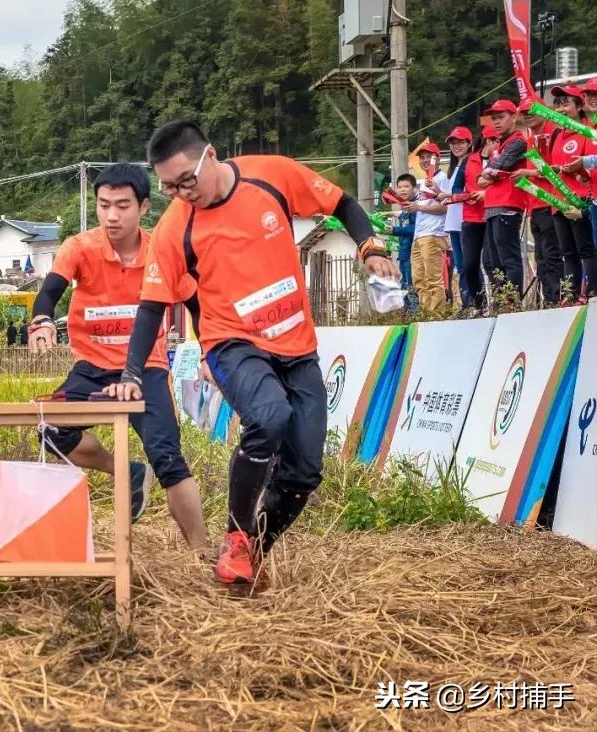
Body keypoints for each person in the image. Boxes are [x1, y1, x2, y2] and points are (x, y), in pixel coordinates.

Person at [106, 121, 397, 586]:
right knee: (268, 416)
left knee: (305, 472)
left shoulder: (271, 176)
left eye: (186, 181)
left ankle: (254, 547)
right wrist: (132, 371)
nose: (181, 193)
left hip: (297, 345)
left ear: (211, 157)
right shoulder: (173, 230)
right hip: (230, 342)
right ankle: (236, 537)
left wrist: (370, 245)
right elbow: (151, 307)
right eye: (168, 187)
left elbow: (340, 202)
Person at [28, 162, 207, 549]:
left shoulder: (164, 253)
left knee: (169, 459)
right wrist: (41, 321)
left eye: (122, 205)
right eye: (103, 204)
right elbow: (49, 293)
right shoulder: (79, 248)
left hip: (146, 370)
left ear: (144, 207)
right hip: (91, 368)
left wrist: (210, 351)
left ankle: (201, 550)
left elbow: (197, 304)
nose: (111, 215)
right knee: (51, 431)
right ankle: (123, 471)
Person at [547, 85, 596, 301]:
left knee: (585, 249)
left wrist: (581, 172)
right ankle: (570, 294)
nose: (561, 108)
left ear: (579, 105)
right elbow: (555, 165)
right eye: (557, 104)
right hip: (558, 201)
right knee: (567, 252)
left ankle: (591, 292)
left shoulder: (588, 131)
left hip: (580, 199)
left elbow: (590, 170)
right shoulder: (557, 134)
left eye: (566, 103)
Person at [476, 99, 529, 301]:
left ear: (513, 117)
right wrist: (489, 173)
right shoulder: (500, 145)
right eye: (494, 118)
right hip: (491, 205)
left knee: (508, 257)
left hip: (508, 203)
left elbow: (499, 167)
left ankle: (512, 302)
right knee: (490, 260)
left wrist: (489, 173)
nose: (496, 122)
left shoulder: (518, 141)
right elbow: (481, 177)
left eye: (501, 117)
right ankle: (501, 300)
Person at [514, 99, 563, 305]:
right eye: (523, 112)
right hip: (535, 205)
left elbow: (558, 169)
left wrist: (529, 173)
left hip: (551, 203)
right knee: (541, 258)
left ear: (544, 111)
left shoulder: (554, 133)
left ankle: (558, 299)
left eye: (531, 111)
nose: (527, 115)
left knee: (552, 255)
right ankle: (548, 300)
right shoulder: (530, 138)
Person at [455, 126, 496, 312]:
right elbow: (456, 189)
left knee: (490, 262)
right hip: (471, 218)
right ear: (485, 140)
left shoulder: (501, 159)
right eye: (492, 140)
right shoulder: (469, 160)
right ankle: (480, 305)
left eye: (497, 140)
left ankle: (500, 302)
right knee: (469, 264)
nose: (495, 144)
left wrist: (486, 193)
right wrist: (468, 196)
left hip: (492, 215)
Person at [410, 141, 450, 312]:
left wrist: (420, 207)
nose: (425, 161)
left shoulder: (442, 179)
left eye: (429, 158)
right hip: (419, 235)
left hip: (433, 234)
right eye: (422, 158)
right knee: (418, 279)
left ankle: (436, 317)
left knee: (433, 279)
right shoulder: (423, 182)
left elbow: (445, 207)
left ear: (438, 159)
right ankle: (426, 313)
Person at [443, 127, 472, 307]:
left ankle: (473, 303)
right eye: (453, 143)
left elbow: (464, 193)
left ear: (469, 143)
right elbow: (450, 195)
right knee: (461, 268)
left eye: (460, 142)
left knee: (468, 266)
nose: (456, 146)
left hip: (466, 220)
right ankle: (466, 304)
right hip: (453, 223)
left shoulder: (470, 163)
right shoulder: (455, 168)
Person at [389, 173, 417, 309]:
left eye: (406, 186)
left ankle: (415, 317)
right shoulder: (404, 207)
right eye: (400, 187)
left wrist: (394, 230)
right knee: (404, 288)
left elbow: (415, 228)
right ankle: (407, 317)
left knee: (412, 288)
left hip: (413, 253)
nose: (403, 190)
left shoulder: (415, 206)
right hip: (404, 253)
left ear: (414, 188)